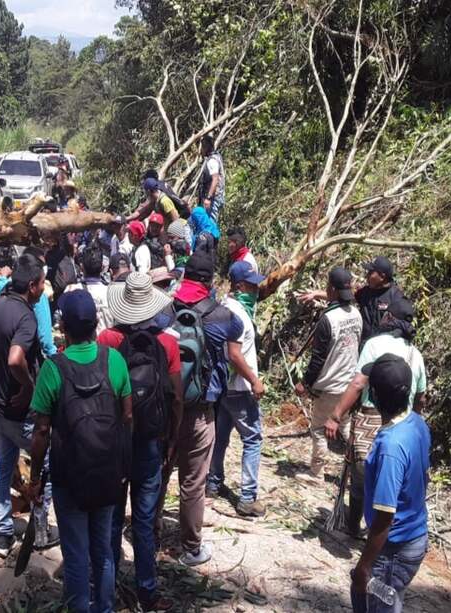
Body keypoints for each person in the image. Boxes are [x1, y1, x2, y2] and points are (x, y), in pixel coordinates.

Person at [26, 290, 133, 613]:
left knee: (75, 556)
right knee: (102, 552)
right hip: (106, 475)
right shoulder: (114, 360)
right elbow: (128, 416)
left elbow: (42, 431)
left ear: (63, 327)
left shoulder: (52, 368)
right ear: (96, 323)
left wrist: (34, 480)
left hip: (68, 478)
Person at [98, 272, 182, 611]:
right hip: (149, 442)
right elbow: (176, 397)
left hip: (115, 442)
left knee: (113, 518)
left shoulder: (107, 339)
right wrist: (172, 439)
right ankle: (147, 592)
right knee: (144, 522)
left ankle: (110, 586)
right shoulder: (168, 343)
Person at [0, 254, 59, 558]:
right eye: (42, 283)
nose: (43, 288)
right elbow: (15, 359)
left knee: (2, 467)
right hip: (21, 412)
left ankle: (3, 534)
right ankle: (41, 529)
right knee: (45, 463)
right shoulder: (26, 317)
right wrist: (28, 385)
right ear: (34, 285)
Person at [325, 298, 427, 537]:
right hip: (402, 423)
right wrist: (416, 426)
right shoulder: (416, 355)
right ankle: (380, 534)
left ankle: (353, 527)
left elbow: (359, 382)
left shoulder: (374, 345)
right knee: (389, 481)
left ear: (389, 318)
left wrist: (336, 415)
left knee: (360, 481)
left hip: (371, 418)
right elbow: (421, 398)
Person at [169, 251, 245, 566]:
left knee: (160, 471)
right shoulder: (221, 315)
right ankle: (190, 547)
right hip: (201, 410)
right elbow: (239, 329)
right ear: (210, 281)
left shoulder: (165, 308)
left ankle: (152, 530)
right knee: (193, 479)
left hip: (166, 408)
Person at [350, 354, 431, 613]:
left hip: (394, 549)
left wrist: (364, 565)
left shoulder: (390, 448)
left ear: (373, 394)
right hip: (413, 537)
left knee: (378, 603)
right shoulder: (417, 423)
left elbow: (385, 518)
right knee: (365, 597)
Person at [206, 261, 267, 516]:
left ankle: (213, 482)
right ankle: (247, 497)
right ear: (240, 285)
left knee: (221, 435)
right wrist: (254, 380)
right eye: (252, 285)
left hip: (225, 387)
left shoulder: (223, 307)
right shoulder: (238, 314)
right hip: (239, 387)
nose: (256, 290)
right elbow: (234, 354)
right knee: (253, 439)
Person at [295, 267, 362, 482]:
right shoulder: (357, 314)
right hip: (350, 384)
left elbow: (318, 359)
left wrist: (305, 383)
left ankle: (316, 472)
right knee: (346, 427)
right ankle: (358, 471)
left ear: (331, 289)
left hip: (329, 385)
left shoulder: (328, 319)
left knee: (317, 428)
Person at [296, 255, 406, 344]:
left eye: (370, 273)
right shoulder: (366, 292)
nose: (367, 275)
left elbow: (402, 329)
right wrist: (316, 294)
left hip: (382, 354)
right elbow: (340, 295)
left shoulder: (396, 298)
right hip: (364, 350)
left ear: (382, 276)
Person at [0, 247, 57, 357]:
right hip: (26, 357)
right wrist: (54, 356)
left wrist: (3, 277)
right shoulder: (39, 295)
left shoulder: (8, 286)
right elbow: (44, 337)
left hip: (3, 354)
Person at [64, 248, 113, 333]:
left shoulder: (71, 291)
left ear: (82, 267)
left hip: (82, 344)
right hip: (107, 344)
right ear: (102, 267)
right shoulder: (112, 293)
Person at [198, 135, 226, 223]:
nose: (201, 150)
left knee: (210, 223)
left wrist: (208, 198)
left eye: (202, 147)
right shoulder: (217, 157)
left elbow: (215, 179)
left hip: (213, 199)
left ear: (206, 147)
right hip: (215, 198)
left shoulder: (212, 161)